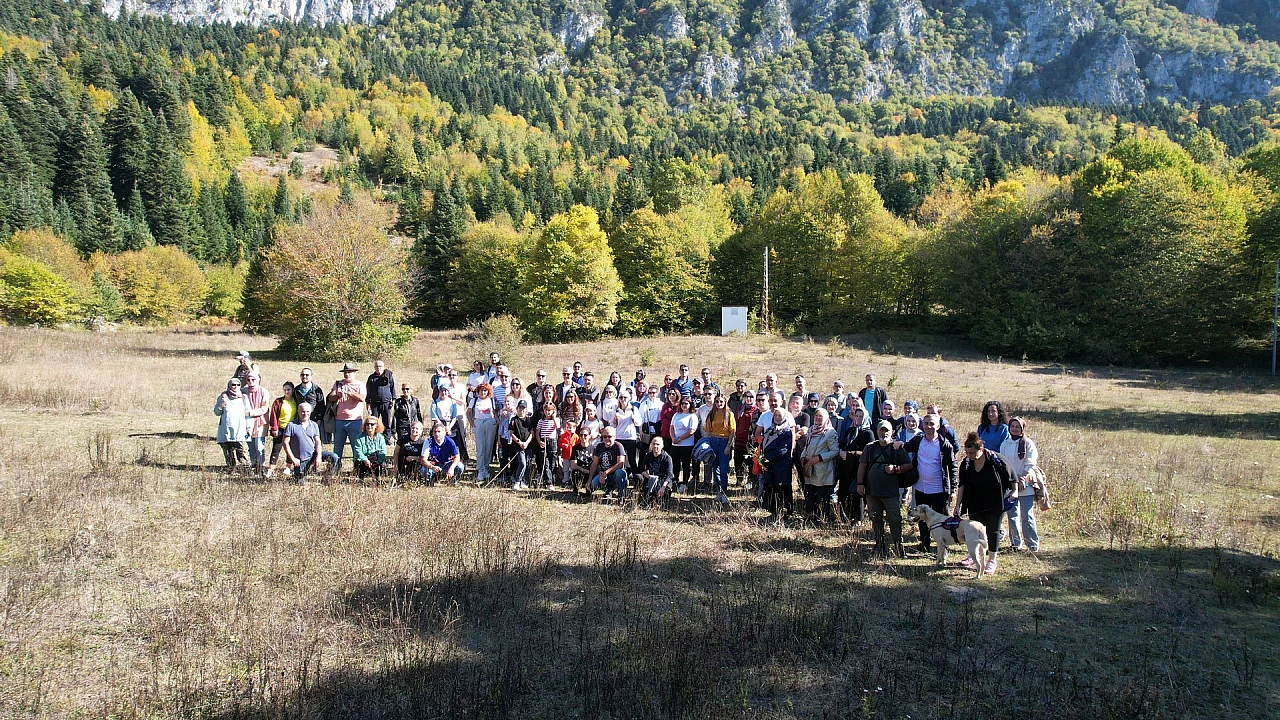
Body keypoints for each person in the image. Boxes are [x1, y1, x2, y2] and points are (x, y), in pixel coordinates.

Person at [955, 432, 1014, 575]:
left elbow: (1012, 476)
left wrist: (1015, 492)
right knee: (974, 530)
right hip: (975, 502)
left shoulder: (995, 459)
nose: (970, 455)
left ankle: (992, 559)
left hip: (995, 501)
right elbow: (961, 485)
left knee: (992, 530)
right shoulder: (967, 463)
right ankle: (973, 555)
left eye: (973, 452)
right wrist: (957, 505)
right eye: (968, 453)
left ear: (981, 449)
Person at [858, 419, 913, 557]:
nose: (884, 433)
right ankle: (879, 544)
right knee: (875, 518)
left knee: (895, 519)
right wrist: (860, 483)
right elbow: (862, 466)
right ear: (877, 432)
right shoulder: (869, 447)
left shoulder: (896, 448)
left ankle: (898, 546)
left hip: (891, 493)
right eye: (881, 430)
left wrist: (896, 469)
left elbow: (909, 465)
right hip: (872, 492)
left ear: (892, 432)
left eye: (886, 430)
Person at [906, 414, 958, 554]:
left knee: (943, 519)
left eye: (932, 424)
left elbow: (953, 467)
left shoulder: (945, 445)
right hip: (921, 488)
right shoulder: (917, 440)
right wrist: (897, 444)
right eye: (926, 423)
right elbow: (905, 448)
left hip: (939, 490)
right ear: (922, 425)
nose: (929, 426)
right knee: (922, 519)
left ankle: (944, 547)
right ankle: (924, 544)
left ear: (938, 426)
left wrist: (953, 488)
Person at [999, 416, 1040, 552]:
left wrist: (1022, 478)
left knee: (1026, 516)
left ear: (1022, 429)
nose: (1015, 429)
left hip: (1025, 485)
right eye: (1012, 426)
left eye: (1018, 427)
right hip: (1010, 485)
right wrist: (1011, 481)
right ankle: (1016, 543)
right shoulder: (1006, 444)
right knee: (1012, 515)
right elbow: (1003, 463)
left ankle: (1032, 545)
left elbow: (1030, 462)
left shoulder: (1028, 443)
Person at [800, 408, 840, 523]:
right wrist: (803, 456)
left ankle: (822, 518)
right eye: (816, 415)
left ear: (826, 418)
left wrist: (820, 458)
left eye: (820, 416)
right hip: (809, 468)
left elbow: (835, 451)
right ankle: (810, 516)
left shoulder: (830, 432)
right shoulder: (812, 429)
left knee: (821, 495)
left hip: (823, 470)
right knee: (810, 493)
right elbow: (806, 447)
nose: (818, 418)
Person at [282, 402, 337, 483]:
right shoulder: (291, 425)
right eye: (303, 411)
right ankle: (302, 473)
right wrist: (293, 459)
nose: (305, 414)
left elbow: (317, 441)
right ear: (298, 412)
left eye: (307, 411)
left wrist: (318, 456)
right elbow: (285, 443)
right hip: (300, 460)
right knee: (298, 483)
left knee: (334, 457)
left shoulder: (314, 425)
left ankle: (326, 478)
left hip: (313, 455)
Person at [837, 403, 873, 522]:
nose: (857, 419)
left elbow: (869, 453)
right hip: (846, 468)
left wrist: (850, 454)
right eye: (856, 416)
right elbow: (843, 444)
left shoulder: (868, 433)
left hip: (859, 469)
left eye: (860, 417)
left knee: (857, 494)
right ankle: (843, 516)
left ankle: (858, 519)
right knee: (843, 492)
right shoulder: (851, 430)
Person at [327, 362, 367, 473]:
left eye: (349, 372)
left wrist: (349, 393)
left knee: (356, 447)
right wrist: (337, 395)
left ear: (354, 373)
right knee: (337, 447)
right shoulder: (338, 384)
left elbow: (362, 398)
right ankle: (335, 468)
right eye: (345, 372)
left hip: (355, 420)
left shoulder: (360, 385)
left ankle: (357, 468)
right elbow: (330, 397)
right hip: (339, 420)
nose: (347, 375)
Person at [760, 398, 795, 517]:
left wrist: (766, 458)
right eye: (775, 415)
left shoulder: (786, 432)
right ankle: (774, 511)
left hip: (781, 465)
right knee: (772, 488)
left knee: (782, 488)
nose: (777, 418)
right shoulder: (770, 430)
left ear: (784, 417)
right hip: (770, 465)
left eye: (780, 416)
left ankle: (786, 511)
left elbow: (782, 450)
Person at [702, 392, 736, 505]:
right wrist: (706, 444)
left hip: (724, 441)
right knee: (714, 467)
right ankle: (719, 491)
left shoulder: (729, 414)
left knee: (723, 469)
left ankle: (724, 493)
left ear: (725, 402)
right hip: (713, 440)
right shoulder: (711, 414)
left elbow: (732, 431)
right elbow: (707, 430)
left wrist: (728, 446)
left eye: (721, 401)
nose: (719, 403)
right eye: (717, 401)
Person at [215, 378, 251, 471]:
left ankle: (245, 469)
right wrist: (221, 405)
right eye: (233, 385)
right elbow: (216, 412)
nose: (235, 387)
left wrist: (249, 427)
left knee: (242, 450)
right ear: (229, 386)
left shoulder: (244, 397)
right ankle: (231, 468)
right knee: (228, 450)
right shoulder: (223, 397)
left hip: (240, 428)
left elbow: (248, 414)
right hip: (226, 428)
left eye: (238, 385)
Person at [265, 380, 298, 477]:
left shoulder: (296, 401)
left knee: (291, 448)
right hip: (280, 428)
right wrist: (274, 428)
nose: (287, 391)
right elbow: (274, 415)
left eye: (289, 389)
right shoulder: (278, 402)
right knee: (276, 448)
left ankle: (288, 467)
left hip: (292, 428)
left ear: (292, 390)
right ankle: (271, 469)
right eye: (285, 390)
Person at [669, 396, 699, 494]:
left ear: (690, 405)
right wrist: (673, 438)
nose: (684, 405)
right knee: (675, 464)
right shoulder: (677, 414)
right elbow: (671, 427)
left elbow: (691, 431)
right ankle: (675, 480)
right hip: (675, 445)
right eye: (682, 403)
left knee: (686, 465)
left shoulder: (692, 416)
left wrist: (680, 438)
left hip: (687, 445)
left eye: (686, 403)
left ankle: (684, 483)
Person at [468, 383, 498, 482]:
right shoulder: (474, 400)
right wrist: (472, 423)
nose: (483, 392)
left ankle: (486, 468)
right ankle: (480, 470)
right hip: (478, 423)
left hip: (490, 423)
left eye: (485, 390)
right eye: (481, 390)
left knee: (489, 447)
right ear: (478, 391)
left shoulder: (491, 400)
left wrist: (496, 421)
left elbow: (494, 412)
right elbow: (468, 412)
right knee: (480, 448)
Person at [588, 426, 628, 500]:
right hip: (603, 474)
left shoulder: (618, 446)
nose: (607, 439)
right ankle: (608, 489)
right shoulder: (599, 446)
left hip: (615, 474)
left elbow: (620, 463)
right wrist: (589, 480)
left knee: (619, 472)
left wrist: (606, 472)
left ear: (614, 437)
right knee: (593, 484)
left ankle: (621, 494)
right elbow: (594, 464)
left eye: (609, 436)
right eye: (604, 437)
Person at [430, 385, 464, 468]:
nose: (443, 393)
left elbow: (454, 417)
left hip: (451, 426)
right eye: (442, 391)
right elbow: (435, 417)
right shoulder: (434, 403)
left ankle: (453, 465)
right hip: (439, 426)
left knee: (453, 446)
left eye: (445, 391)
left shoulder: (453, 403)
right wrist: (443, 429)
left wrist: (449, 427)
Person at [243, 372, 270, 473]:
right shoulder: (244, 391)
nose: (251, 382)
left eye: (253, 380)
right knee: (250, 445)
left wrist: (250, 412)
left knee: (259, 445)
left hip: (260, 421)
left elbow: (264, 408)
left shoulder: (263, 391)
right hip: (247, 422)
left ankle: (261, 465)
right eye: (248, 380)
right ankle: (254, 463)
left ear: (258, 380)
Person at [611, 388, 642, 472]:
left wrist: (634, 419)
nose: (623, 400)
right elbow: (612, 425)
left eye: (625, 397)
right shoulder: (616, 410)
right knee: (619, 460)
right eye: (621, 398)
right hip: (619, 437)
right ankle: (620, 477)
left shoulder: (633, 409)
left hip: (630, 438)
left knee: (632, 460)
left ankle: (636, 479)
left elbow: (639, 423)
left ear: (629, 399)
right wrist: (614, 420)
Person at [293, 368, 327, 442]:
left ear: (311, 376)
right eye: (302, 375)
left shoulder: (317, 390)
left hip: (313, 420)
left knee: (314, 441)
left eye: (307, 375)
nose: (304, 376)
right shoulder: (296, 390)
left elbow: (321, 405)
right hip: (300, 420)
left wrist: (319, 420)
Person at [366, 360, 396, 443]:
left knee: (387, 421)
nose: (378, 368)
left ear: (383, 367)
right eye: (377, 366)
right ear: (374, 368)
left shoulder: (388, 376)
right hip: (374, 403)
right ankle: (374, 437)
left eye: (380, 366)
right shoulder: (371, 378)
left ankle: (387, 438)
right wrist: (368, 403)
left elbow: (392, 387)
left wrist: (393, 399)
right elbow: (368, 390)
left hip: (386, 403)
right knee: (374, 421)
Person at [638, 435, 674, 502]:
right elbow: (642, 469)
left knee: (664, 494)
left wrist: (663, 487)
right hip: (651, 479)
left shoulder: (667, 458)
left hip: (663, 481)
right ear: (651, 445)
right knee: (638, 477)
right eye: (653, 444)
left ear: (662, 446)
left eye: (658, 444)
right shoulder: (648, 455)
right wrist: (646, 475)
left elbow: (670, 475)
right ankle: (643, 495)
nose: (655, 446)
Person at [352, 417, 389, 482]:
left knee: (382, 464)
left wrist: (379, 461)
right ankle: (361, 479)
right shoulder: (359, 437)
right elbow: (358, 450)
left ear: (376, 426)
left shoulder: (380, 437)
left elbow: (382, 451)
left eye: (372, 424)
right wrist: (365, 459)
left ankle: (377, 478)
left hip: (376, 459)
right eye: (367, 424)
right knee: (358, 463)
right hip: (364, 459)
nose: (369, 426)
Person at [732, 391, 757, 485]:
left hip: (750, 440)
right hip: (739, 439)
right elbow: (735, 423)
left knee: (750, 461)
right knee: (738, 460)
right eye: (747, 396)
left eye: (751, 397)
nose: (749, 398)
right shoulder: (740, 410)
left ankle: (750, 481)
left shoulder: (756, 410)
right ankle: (739, 479)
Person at [509, 400, 534, 489]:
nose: (521, 410)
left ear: (526, 410)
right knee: (522, 463)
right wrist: (519, 442)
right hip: (518, 446)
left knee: (527, 463)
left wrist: (526, 443)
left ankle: (524, 480)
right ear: (517, 409)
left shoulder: (529, 420)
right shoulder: (513, 420)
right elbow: (511, 433)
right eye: (520, 408)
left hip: (528, 445)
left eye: (523, 408)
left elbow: (531, 433)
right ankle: (517, 480)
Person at [536, 401, 561, 488]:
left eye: (550, 410)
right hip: (544, 441)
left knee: (552, 462)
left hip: (552, 442)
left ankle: (552, 479)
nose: (547, 412)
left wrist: (553, 417)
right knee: (545, 463)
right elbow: (537, 432)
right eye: (546, 410)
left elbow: (557, 427)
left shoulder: (556, 420)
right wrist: (539, 441)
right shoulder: (541, 421)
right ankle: (549, 482)